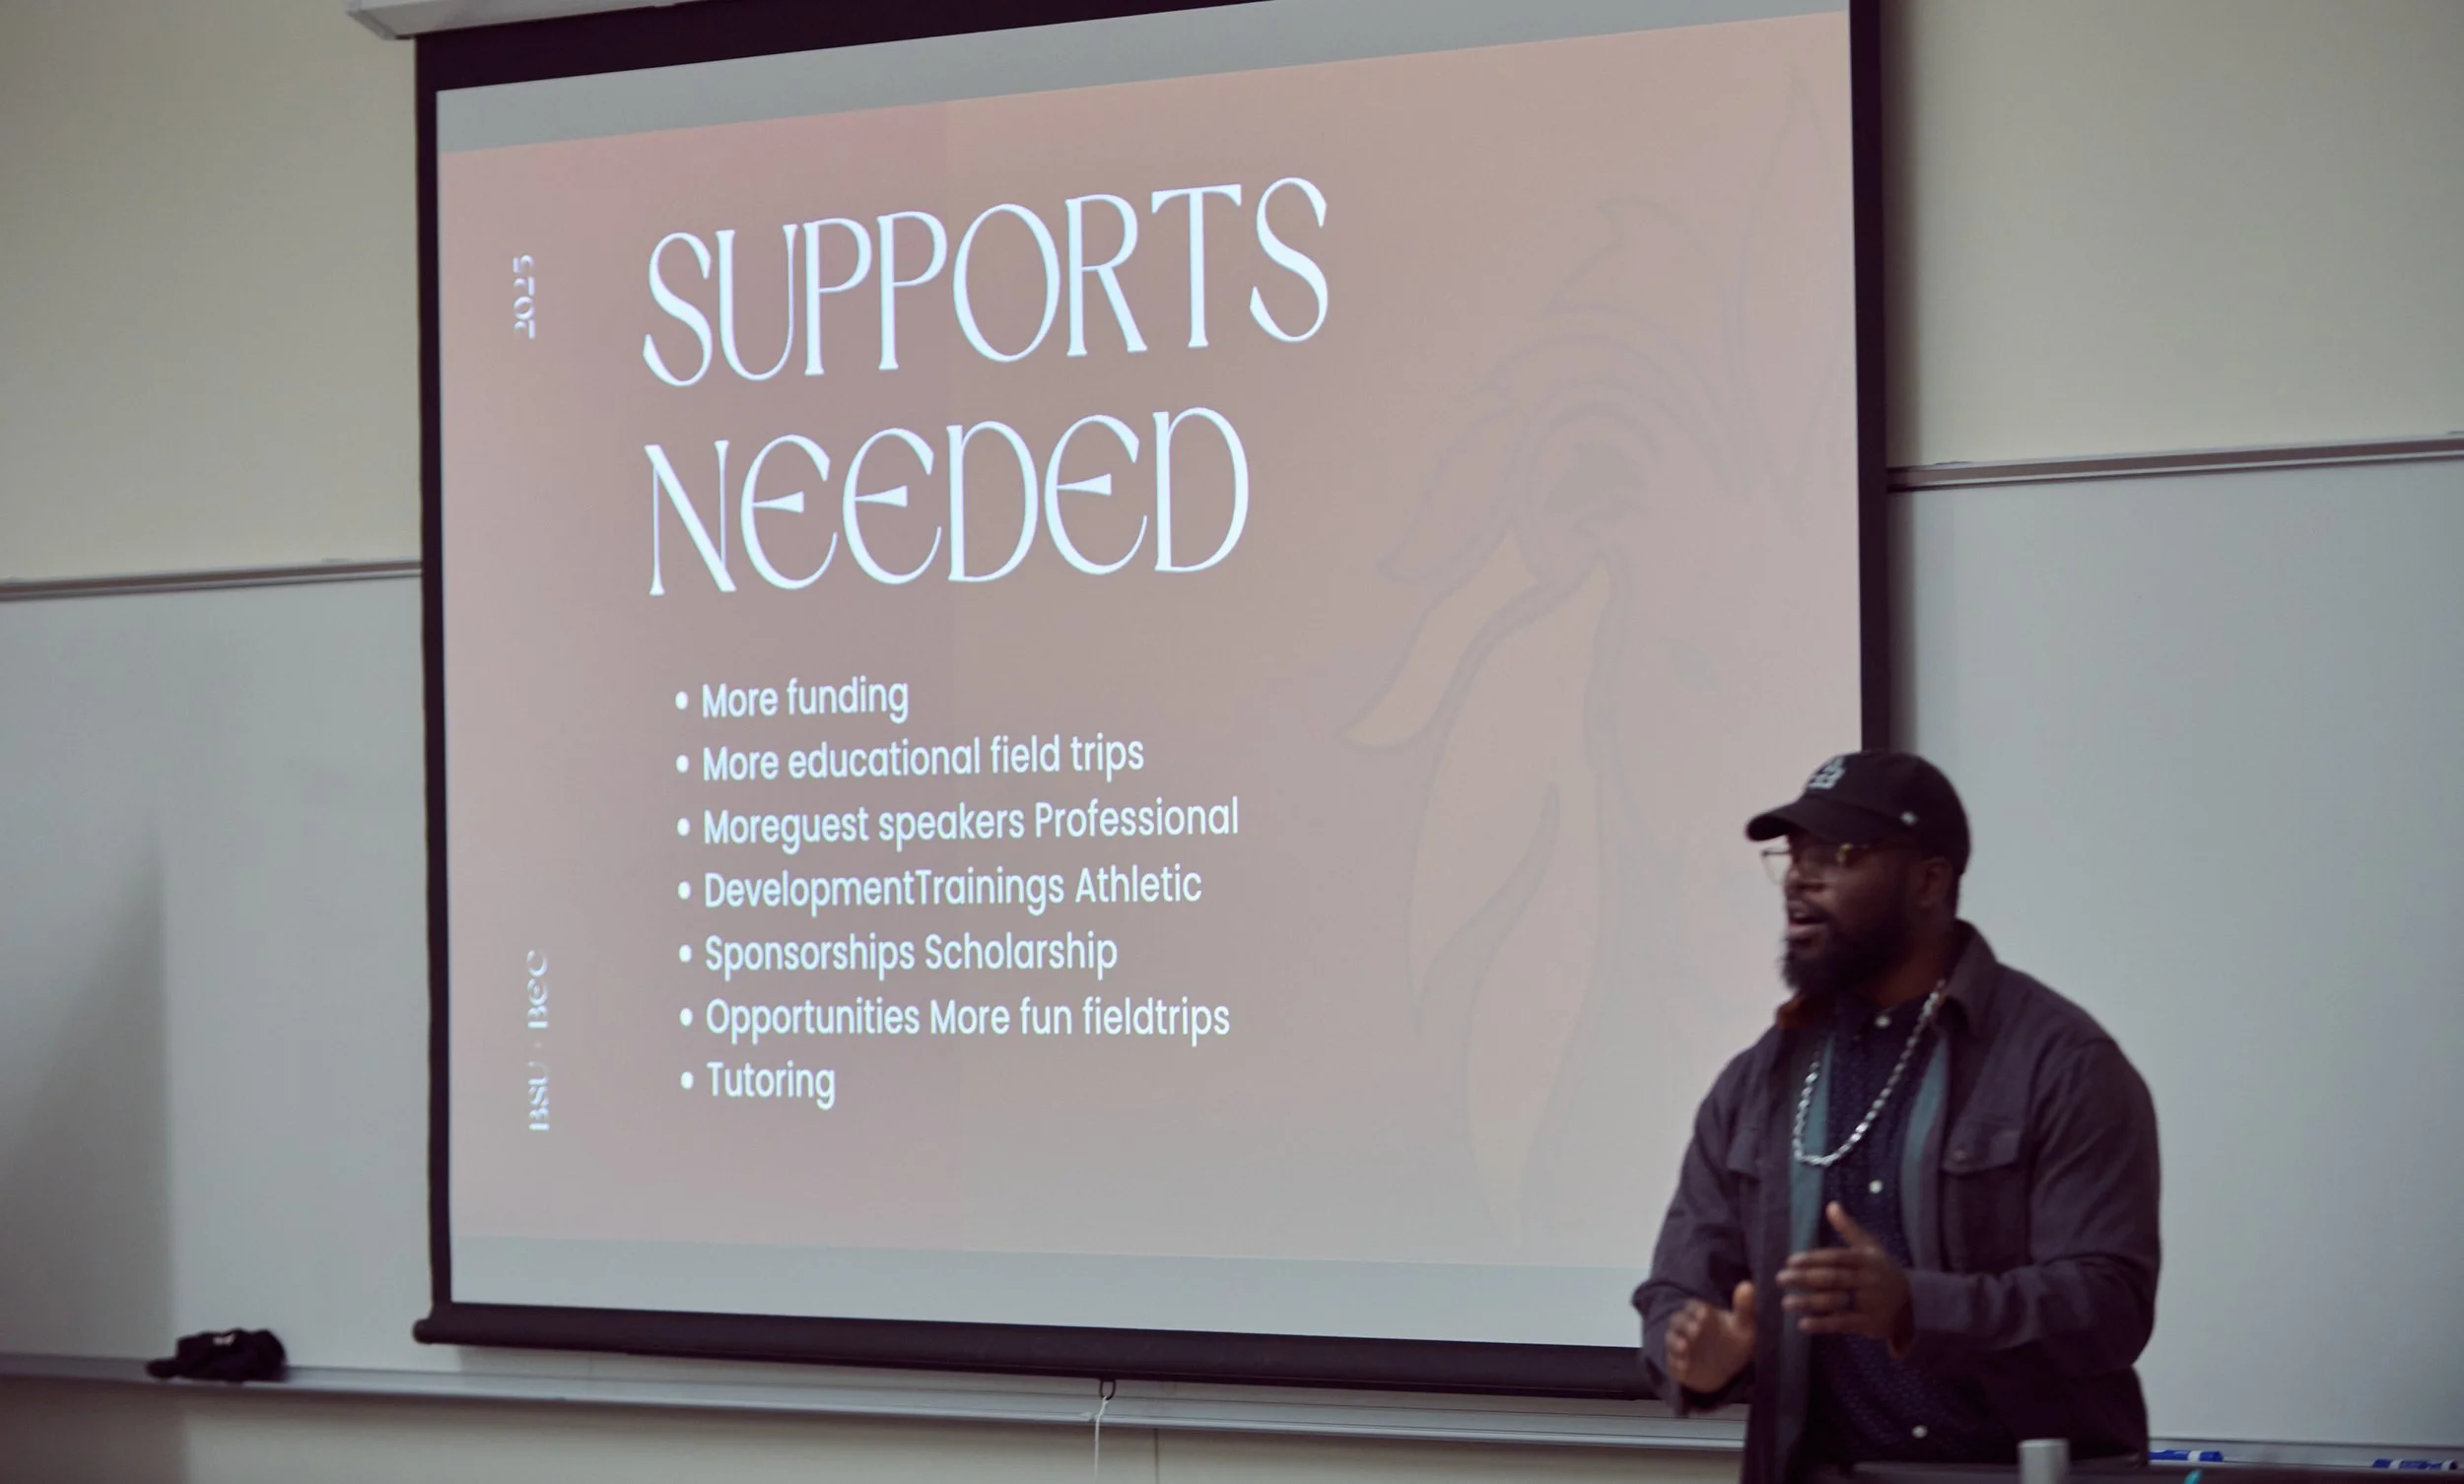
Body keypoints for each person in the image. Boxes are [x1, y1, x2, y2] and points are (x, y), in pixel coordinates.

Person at [1633, 751, 2159, 1482]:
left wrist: (1918, 1308)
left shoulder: (2061, 1063)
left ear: (1928, 881)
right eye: (1794, 855)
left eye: (1837, 855)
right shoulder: (1758, 1082)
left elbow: (2110, 1304)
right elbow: (1678, 1288)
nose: (1800, 878)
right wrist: (1697, 1354)